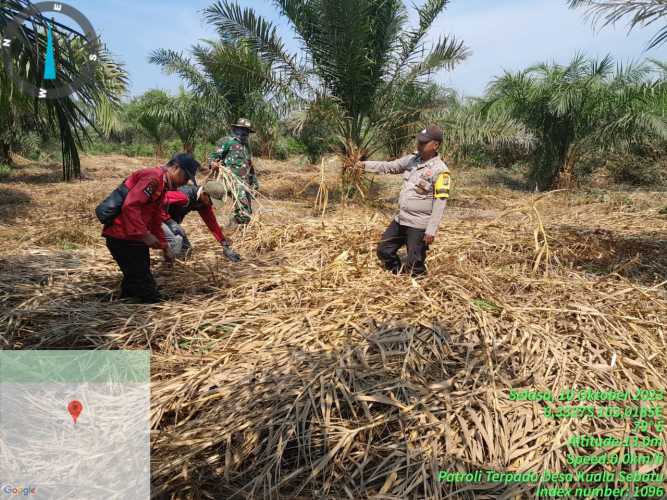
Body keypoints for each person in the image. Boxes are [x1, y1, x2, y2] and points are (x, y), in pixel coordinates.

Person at [101, 154, 200, 303]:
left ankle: (124, 300)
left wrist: (163, 245)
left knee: (136, 279)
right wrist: (145, 235)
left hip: (132, 238)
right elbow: (130, 206)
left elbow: (154, 217)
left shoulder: (162, 185)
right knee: (146, 289)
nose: (184, 183)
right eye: (185, 178)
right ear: (175, 168)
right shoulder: (153, 178)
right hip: (122, 236)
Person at [359, 125, 451, 277]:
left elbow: (440, 202)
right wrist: (363, 165)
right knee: (384, 251)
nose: (419, 145)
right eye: (419, 142)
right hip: (401, 220)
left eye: (424, 143)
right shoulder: (411, 160)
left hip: (418, 225)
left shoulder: (440, 171)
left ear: (435, 145)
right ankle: (398, 274)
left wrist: (431, 230)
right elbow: (389, 166)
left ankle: (418, 290)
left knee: (415, 265)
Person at [161, 182, 241, 262]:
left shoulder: (203, 203)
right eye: (211, 201)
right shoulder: (184, 195)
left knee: (186, 250)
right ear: (204, 194)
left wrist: (224, 245)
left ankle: (173, 266)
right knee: (176, 241)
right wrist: (169, 221)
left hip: (168, 221)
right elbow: (158, 201)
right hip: (156, 219)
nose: (212, 204)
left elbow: (212, 223)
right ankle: (166, 269)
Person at [209, 118, 259, 225]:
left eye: (247, 131)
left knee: (248, 208)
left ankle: (236, 224)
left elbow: (250, 165)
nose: (244, 133)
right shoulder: (228, 142)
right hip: (233, 180)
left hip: (245, 181)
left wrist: (254, 182)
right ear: (236, 129)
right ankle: (238, 227)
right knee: (242, 206)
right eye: (242, 130)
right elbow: (214, 156)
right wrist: (213, 163)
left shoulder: (247, 146)